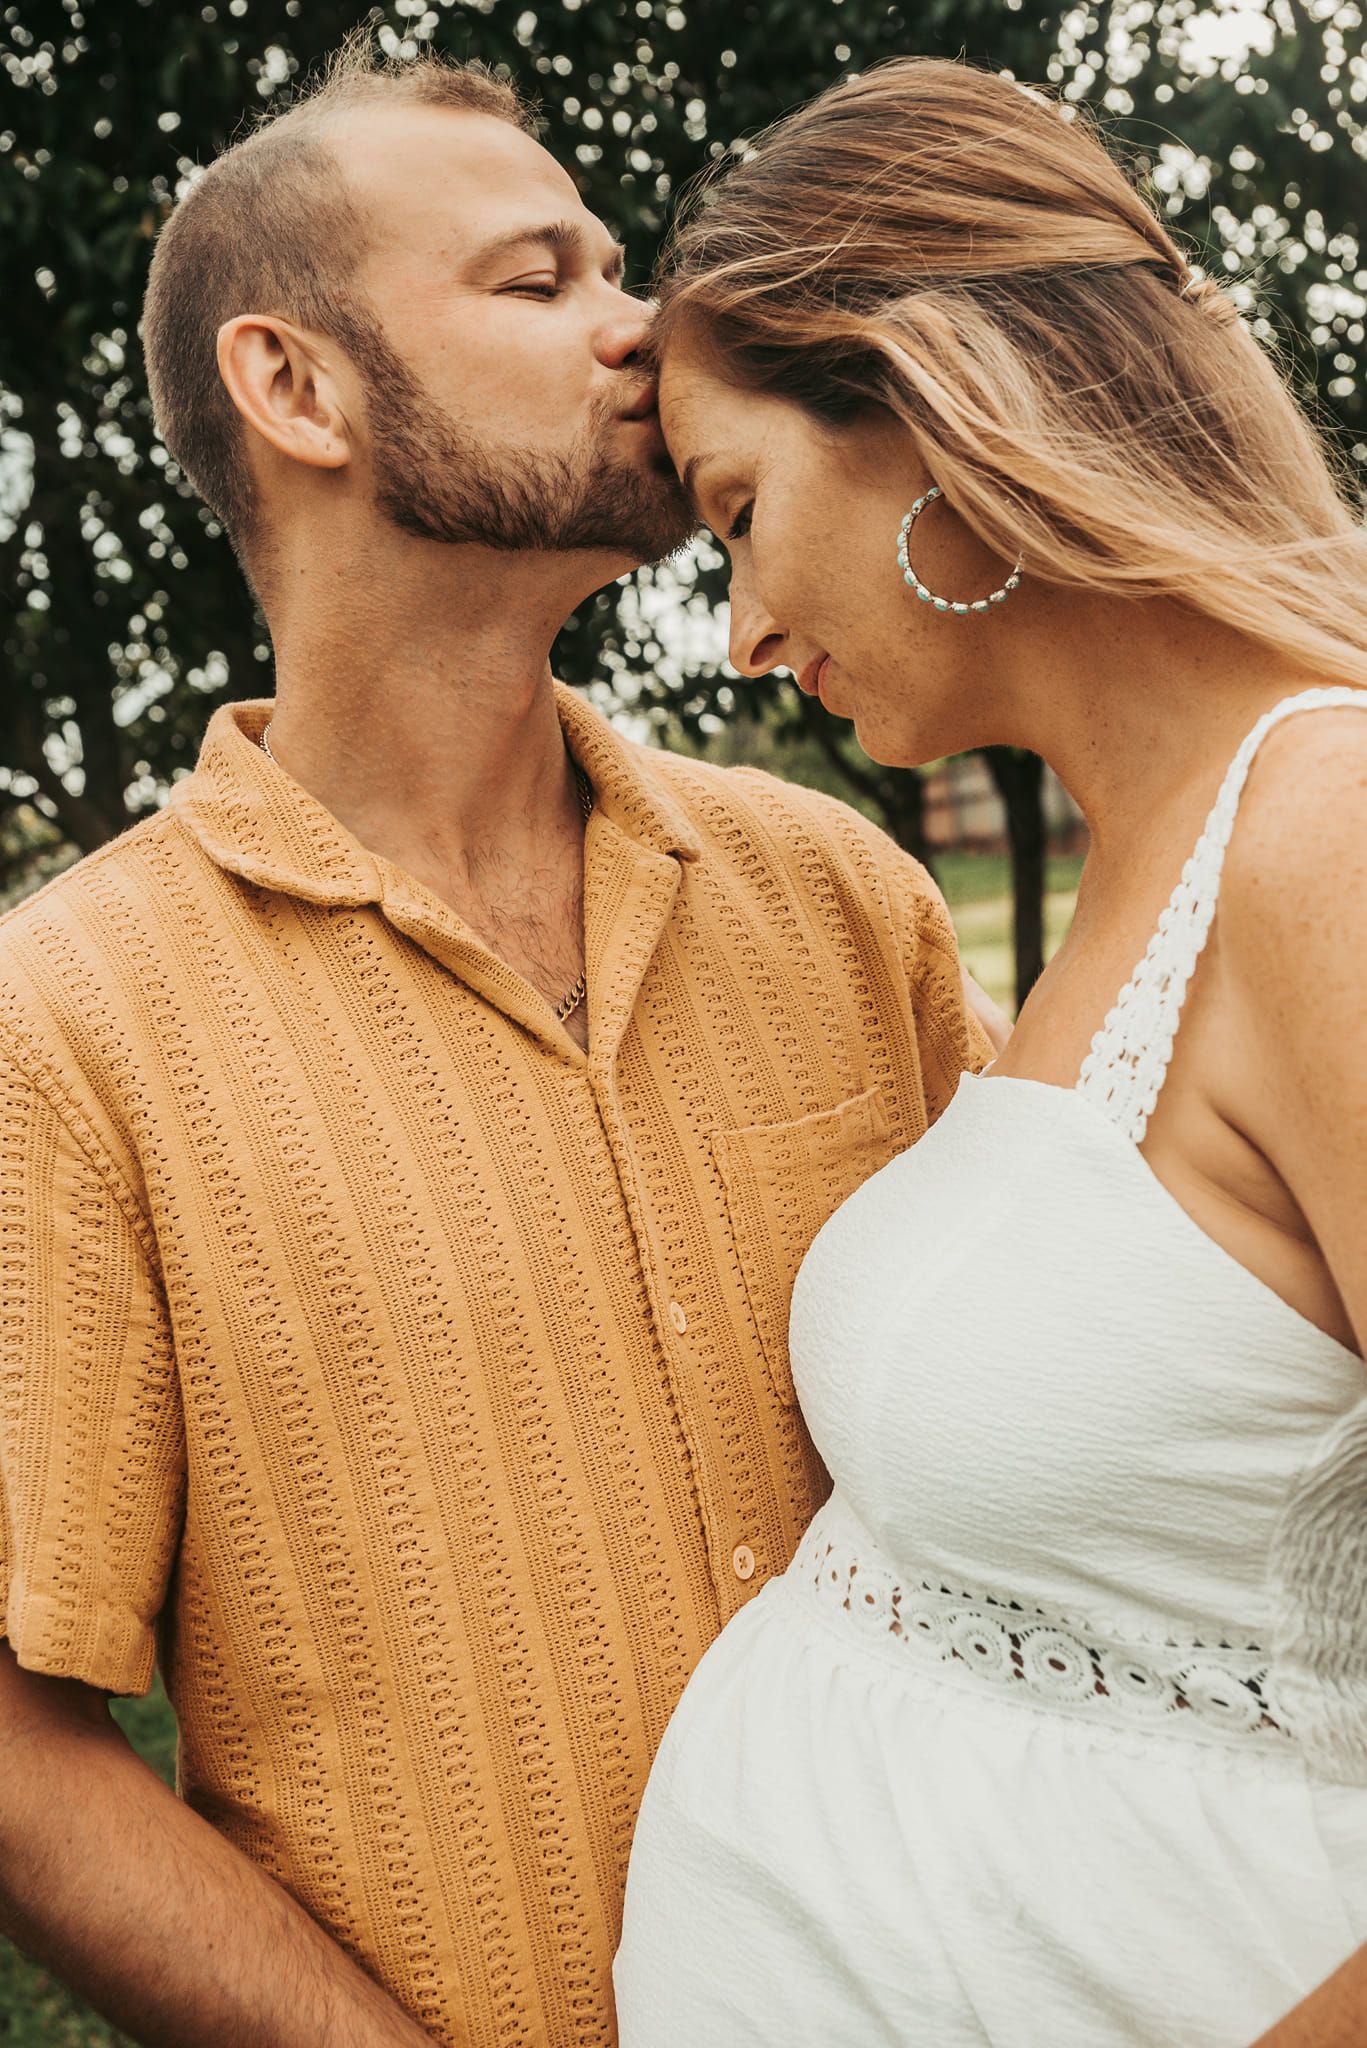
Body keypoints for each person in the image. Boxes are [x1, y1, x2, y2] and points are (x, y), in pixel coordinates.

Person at [0, 40, 999, 2048]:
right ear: (300, 387)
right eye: (544, 282)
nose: (648, 332)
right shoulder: (66, 1023)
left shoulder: (844, 898)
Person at [615, 54, 1367, 2048]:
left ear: (928, 401)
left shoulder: (1332, 834)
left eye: (738, 513)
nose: (747, 630)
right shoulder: (1144, 875)